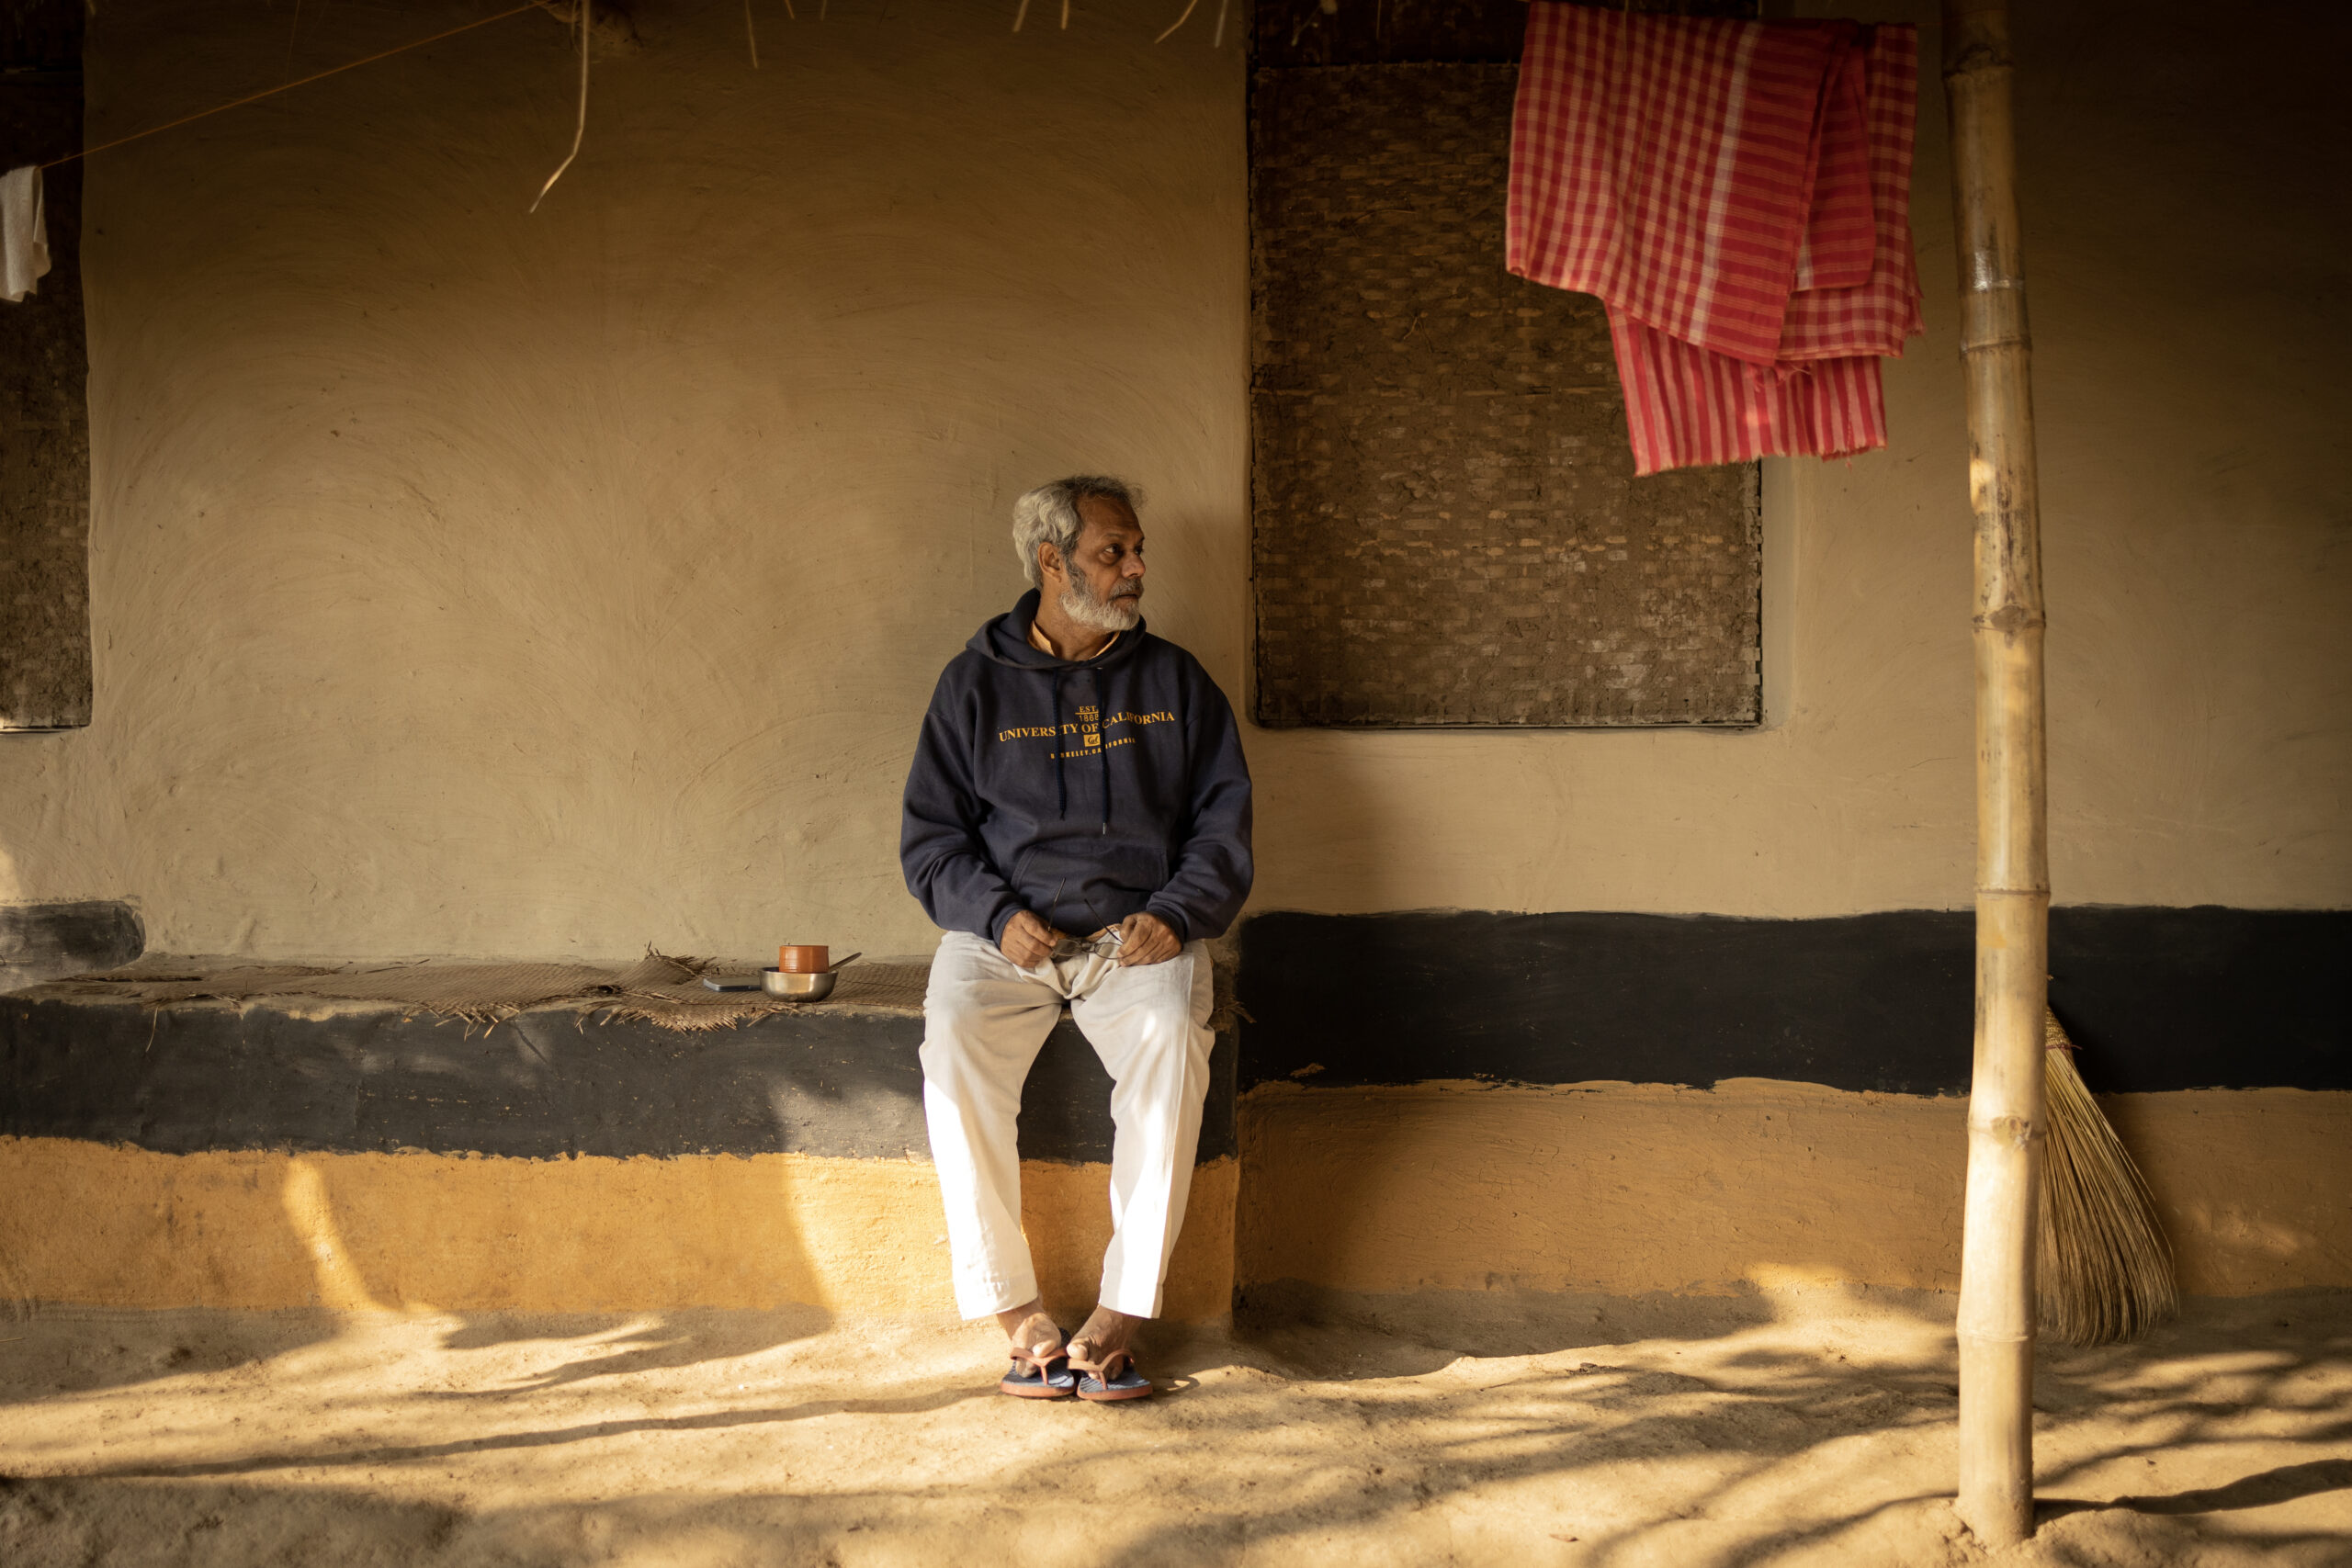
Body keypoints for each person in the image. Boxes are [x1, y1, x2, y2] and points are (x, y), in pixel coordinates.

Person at [900, 475, 1252, 1403]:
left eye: (1136, 551)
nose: (1136, 569)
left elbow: (1224, 830)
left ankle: (1121, 1312)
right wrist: (992, 912)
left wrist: (1174, 913)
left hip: (1134, 937)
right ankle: (1015, 1314)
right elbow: (930, 840)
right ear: (1053, 562)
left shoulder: (1174, 682)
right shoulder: (972, 684)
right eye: (1114, 552)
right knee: (952, 1052)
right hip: (1003, 935)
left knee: (1172, 1048)